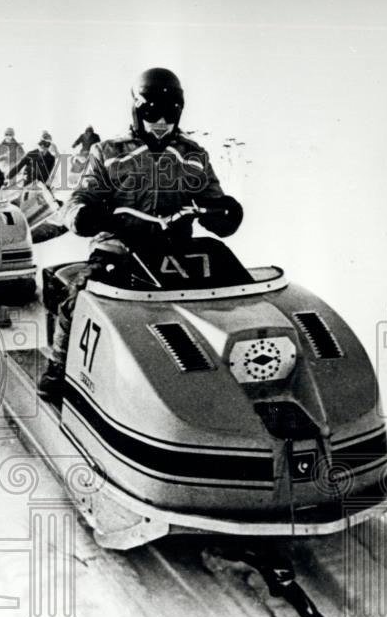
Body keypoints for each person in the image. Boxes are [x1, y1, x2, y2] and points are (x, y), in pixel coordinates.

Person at [38, 68, 243, 402]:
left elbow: (211, 199)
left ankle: (212, 377)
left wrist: (225, 214)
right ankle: (59, 366)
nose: (160, 122)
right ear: (137, 110)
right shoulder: (108, 153)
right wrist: (84, 215)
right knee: (82, 294)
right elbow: (82, 197)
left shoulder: (193, 156)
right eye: (152, 113)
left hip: (176, 253)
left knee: (220, 299)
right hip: (119, 249)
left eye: (169, 114)